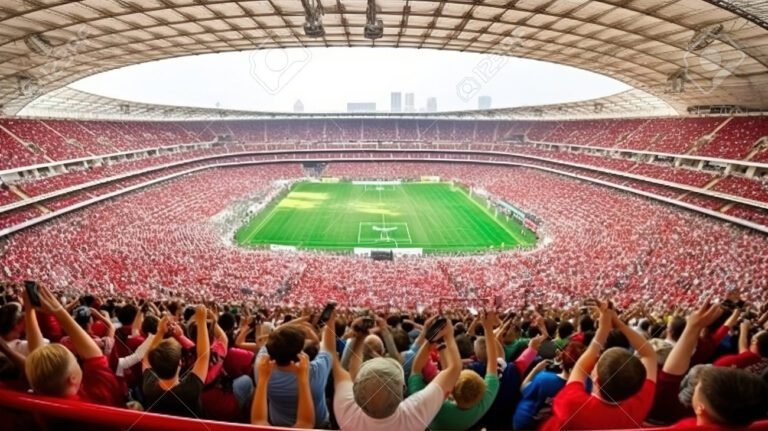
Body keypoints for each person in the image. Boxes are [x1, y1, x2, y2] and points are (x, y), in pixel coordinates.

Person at [542, 300, 657, 430]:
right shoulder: (639, 405)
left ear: (595, 379)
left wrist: (604, 329)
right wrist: (619, 324)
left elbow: (579, 369)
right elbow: (649, 355)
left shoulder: (572, 405)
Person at [333, 315, 462, 430]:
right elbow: (454, 369)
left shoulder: (346, 413)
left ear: (355, 393)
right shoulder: (414, 417)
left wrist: (358, 339)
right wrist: (448, 336)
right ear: (403, 389)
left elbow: (339, 367)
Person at [24, 284, 124, 407]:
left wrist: (29, 310)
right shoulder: (97, 398)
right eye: (76, 361)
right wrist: (58, 311)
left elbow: (37, 357)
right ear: (72, 378)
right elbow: (95, 357)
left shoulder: (37, 398)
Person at [409, 311, 501, 430]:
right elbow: (493, 363)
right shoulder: (482, 403)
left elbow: (415, 370)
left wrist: (432, 337)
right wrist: (488, 329)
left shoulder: (433, 407)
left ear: (451, 390)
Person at [256, 314, 334, 428]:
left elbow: (273, 336)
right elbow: (328, 346)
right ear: (301, 352)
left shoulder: (261, 368)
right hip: (318, 425)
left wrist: (299, 320)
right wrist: (330, 321)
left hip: (278, 424)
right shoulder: (315, 371)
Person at [142, 306, 209, 417]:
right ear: (180, 363)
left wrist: (160, 332)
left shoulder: (148, 386)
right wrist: (202, 322)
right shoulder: (190, 390)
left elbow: (146, 358)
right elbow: (204, 356)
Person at [513, 341, 587, 430]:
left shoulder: (544, 378)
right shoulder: (585, 389)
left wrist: (535, 369)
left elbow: (523, 388)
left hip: (525, 422)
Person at [252, 353, 315, 428]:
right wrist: (302, 378)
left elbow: (258, 421)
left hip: (276, 420)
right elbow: (305, 424)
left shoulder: (259, 363)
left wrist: (263, 378)